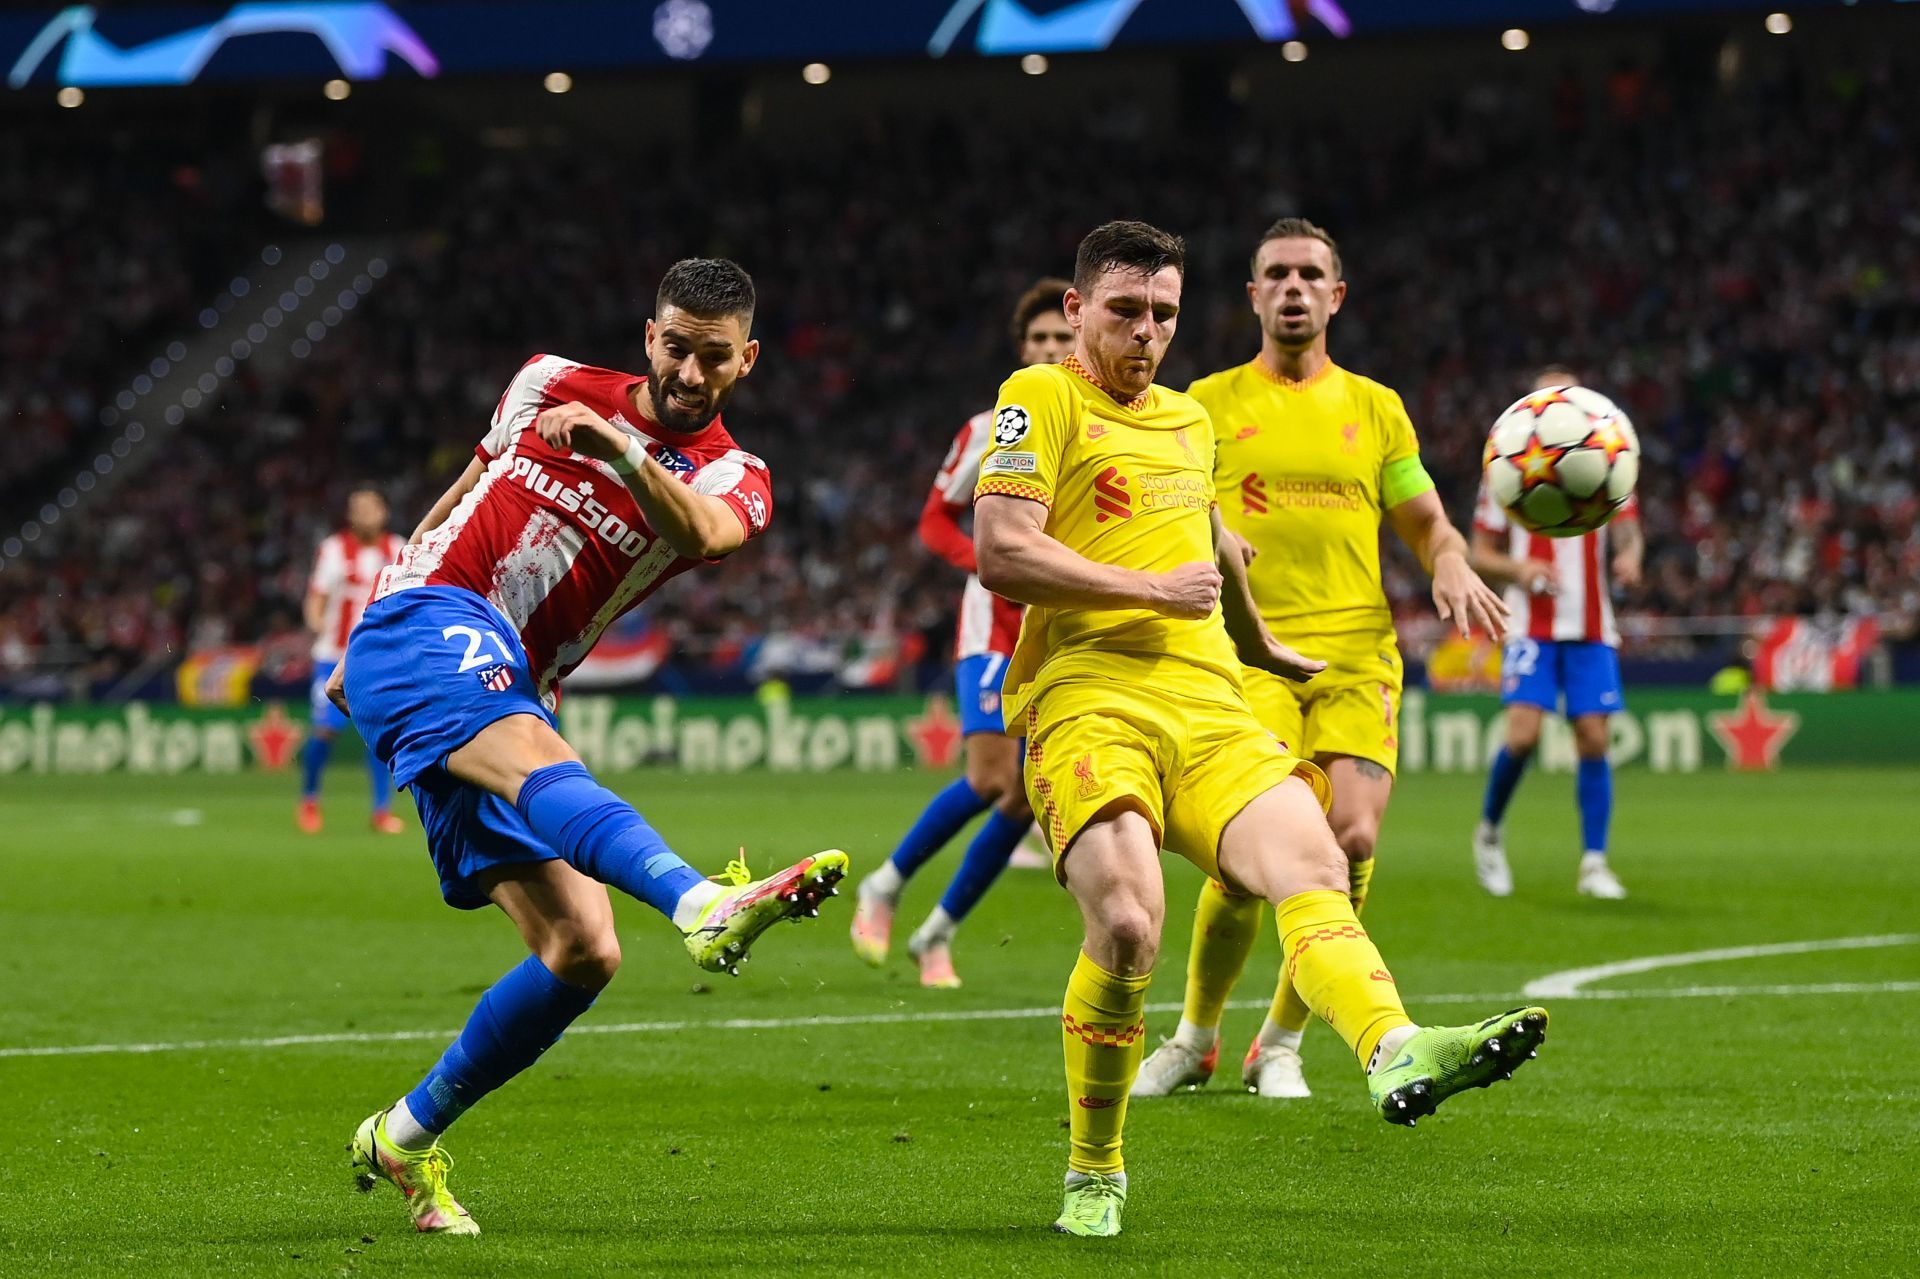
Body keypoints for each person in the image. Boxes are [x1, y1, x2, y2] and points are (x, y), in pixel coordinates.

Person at [971, 220, 1547, 1239]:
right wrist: (1149, 587)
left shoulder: (1192, 424)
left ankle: (1392, 1045)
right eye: (1124, 311)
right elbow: (1004, 551)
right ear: (1075, 309)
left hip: (1211, 700)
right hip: (1087, 695)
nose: (1146, 333)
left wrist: (1264, 645)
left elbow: (1216, 550)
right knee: (1129, 920)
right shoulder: (1040, 398)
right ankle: (1094, 1168)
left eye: (1163, 314)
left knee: (1318, 861)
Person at [330, 259, 848, 1236]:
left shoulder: (737, 475)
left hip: (509, 678)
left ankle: (400, 1136)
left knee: (583, 948)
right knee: (533, 760)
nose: (690, 370)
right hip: (432, 617)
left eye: (714, 356)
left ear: (747, 362)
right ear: (650, 335)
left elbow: (702, 532)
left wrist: (617, 449)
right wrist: (376, 605)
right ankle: (702, 902)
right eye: (677, 346)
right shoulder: (548, 380)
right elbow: (470, 486)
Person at [1133, 218, 1509, 1102]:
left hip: (1356, 652)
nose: (1294, 287)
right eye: (1277, 274)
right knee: (1245, 860)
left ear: (1336, 296)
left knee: (1353, 837)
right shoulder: (1204, 405)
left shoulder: (1377, 408)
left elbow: (1423, 519)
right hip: (1247, 656)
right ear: (1254, 295)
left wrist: (1450, 554)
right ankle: (1194, 1035)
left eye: (1311, 274)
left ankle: (1280, 1042)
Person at [850, 277, 1072, 988]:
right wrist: (986, 561)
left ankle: (936, 931)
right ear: (1021, 348)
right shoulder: (993, 427)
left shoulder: (1100, 428)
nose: (1048, 347)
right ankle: (884, 884)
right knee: (988, 776)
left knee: (1028, 795)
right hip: (995, 627)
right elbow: (932, 517)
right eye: (1036, 339)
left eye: (1059, 337)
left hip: (1065, 629)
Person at [1470, 366, 1644, 899]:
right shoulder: (1506, 462)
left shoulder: (1605, 452)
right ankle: (1490, 831)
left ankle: (1594, 863)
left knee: (1593, 738)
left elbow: (1630, 527)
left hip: (1591, 625)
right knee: (1522, 735)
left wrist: (1632, 556)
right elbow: (1480, 553)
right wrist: (1519, 572)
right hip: (1532, 625)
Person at [297, 487, 404, 834]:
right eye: (358, 508)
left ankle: (380, 811)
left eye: (371, 508)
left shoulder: (399, 548)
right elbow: (318, 596)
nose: (365, 515)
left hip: (379, 658)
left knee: (380, 732)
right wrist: (315, 622)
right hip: (332, 655)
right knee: (325, 730)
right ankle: (310, 800)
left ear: (384, 512)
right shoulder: (334, 549)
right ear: (350, 515)